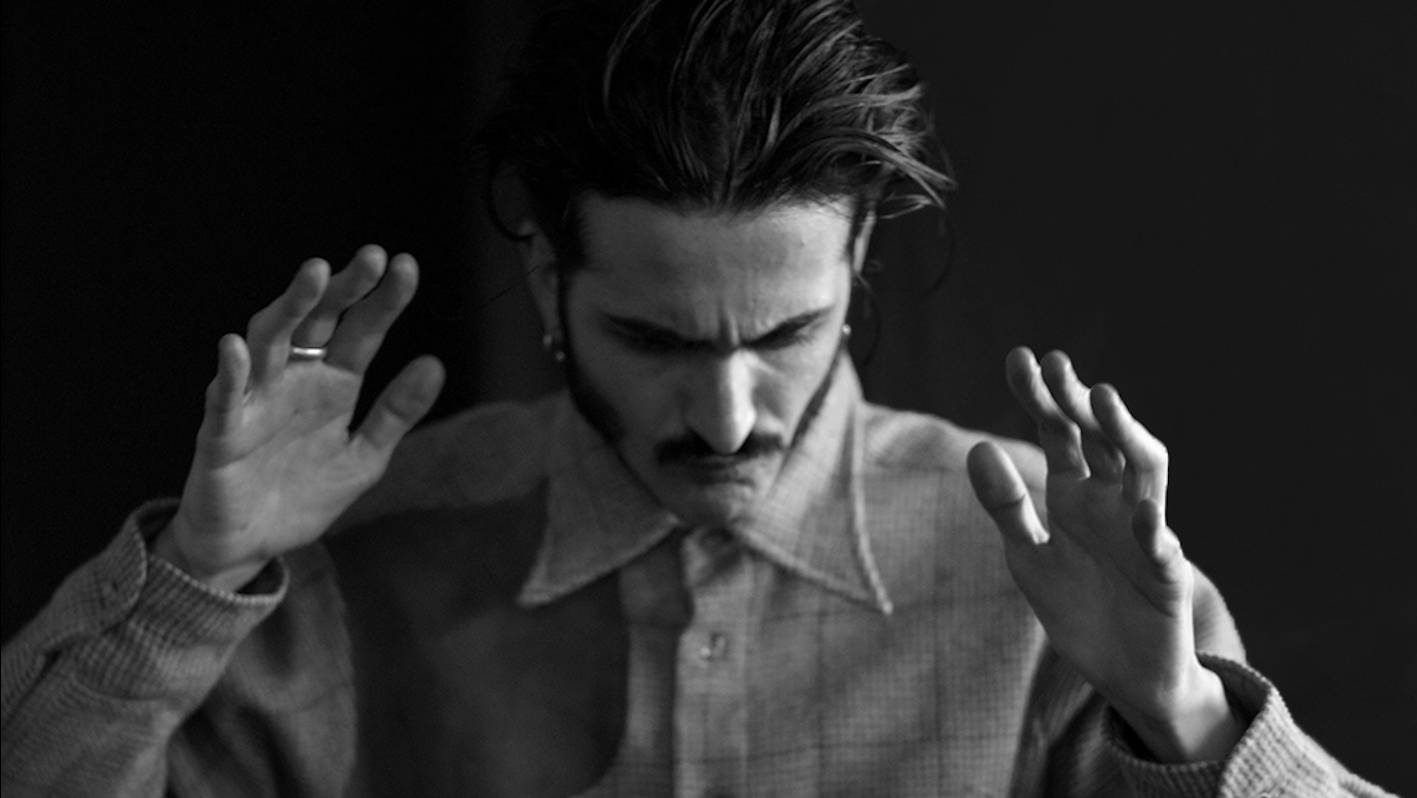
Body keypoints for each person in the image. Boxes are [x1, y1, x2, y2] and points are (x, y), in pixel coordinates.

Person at [0, 0, 1394, 796]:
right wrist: (197, 576)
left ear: (859, 257)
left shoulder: (1054, 566)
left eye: (784, 332)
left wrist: (1181, 712)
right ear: (546, 278)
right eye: (654, 337)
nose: (727, 417)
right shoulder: (355, 559)